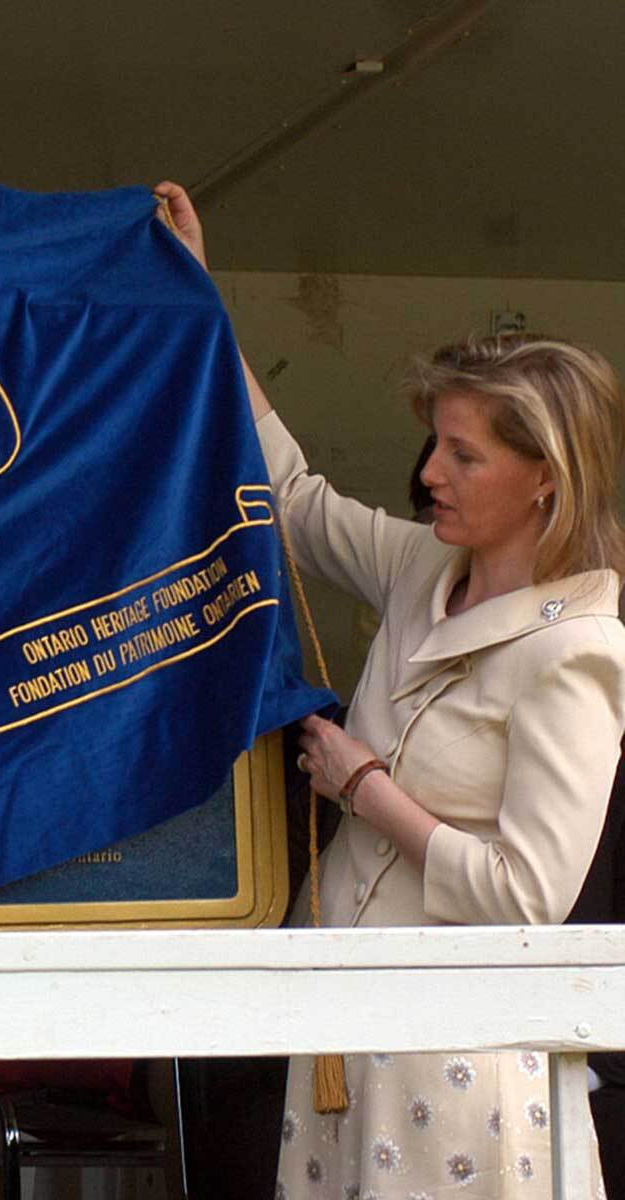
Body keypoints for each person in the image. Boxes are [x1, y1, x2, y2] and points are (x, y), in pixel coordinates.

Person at [156, 180, 625, 1198]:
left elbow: (527, 898)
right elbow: (289, 497)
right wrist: (202, 298)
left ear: (546, 477)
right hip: (343, 1042)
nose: (431, 475)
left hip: (466, 1074)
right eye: (434, 445)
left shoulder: (577, 650)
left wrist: (365, 787)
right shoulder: (422, 565)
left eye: (464, 454)